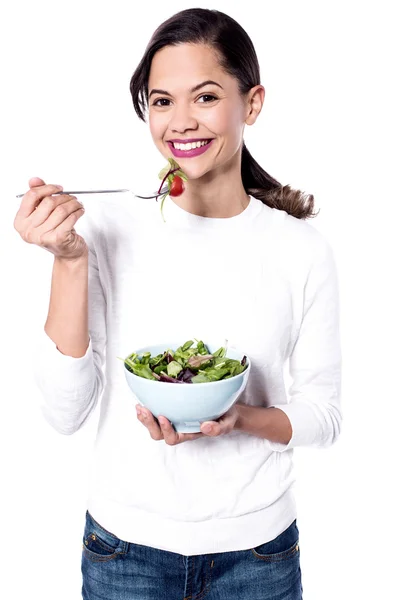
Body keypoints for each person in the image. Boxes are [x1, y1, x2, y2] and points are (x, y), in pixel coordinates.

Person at [13, 8, 342, 600]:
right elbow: (64, 414)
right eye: (161, 101)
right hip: (123, 553)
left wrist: (241, 420)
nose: (180, 121)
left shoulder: (301, 248)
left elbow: (325, 418)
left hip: (260, 555)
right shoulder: (103, 228)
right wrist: (68, 261)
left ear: (253, 103)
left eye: (206, 96)